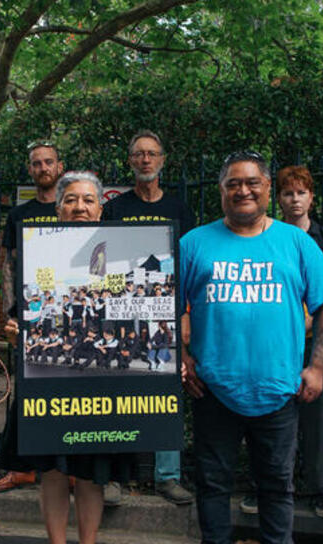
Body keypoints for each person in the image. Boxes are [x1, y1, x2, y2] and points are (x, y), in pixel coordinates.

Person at [180, 152, 323, 544]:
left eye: (252, 183)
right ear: (222, 191)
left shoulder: (295, 242)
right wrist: (181, 357)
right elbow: (166, 304)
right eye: (234, 183)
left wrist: (315, 367)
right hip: (213, 388)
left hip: (278, 392)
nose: (244, 191)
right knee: (212, 484)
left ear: (267, 188)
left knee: (277, 487)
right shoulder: (195, 243)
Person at [0, 171, 135, 544]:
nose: (80, 207)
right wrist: (14, 325)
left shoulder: (119, 253)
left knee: (93, 469)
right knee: (54, 469)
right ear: (58, 208)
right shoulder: (40, 249)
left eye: (88, 200)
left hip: (100, 375)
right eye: (71, 200)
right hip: (49, 374)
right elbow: (24, 305)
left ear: (101, 208)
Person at [103, 130, 197, 506]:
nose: (145, 160)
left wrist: (186, 312)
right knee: (119, 390)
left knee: (165, 392)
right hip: (125, 310)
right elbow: (106, 260)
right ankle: (114, 478)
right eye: (139, 154)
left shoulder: (180, 209)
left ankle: (168, 476)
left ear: (162, 161)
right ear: (130, 161)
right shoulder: (115, 208)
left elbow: (189, 266)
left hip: (166, 314)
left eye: (152, 154)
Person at [0, 141, 64, 494]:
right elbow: (7, 266)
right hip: (28, 318)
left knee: (69, 392)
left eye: (48, 162)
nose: (43, 168)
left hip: (70, 316)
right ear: (30, 171)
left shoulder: (73, 209)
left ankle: (68, 470)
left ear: (59, 167)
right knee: (27, 392)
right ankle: (20, 469)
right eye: (36, 164)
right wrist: (6, 315)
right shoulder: (20, 215)